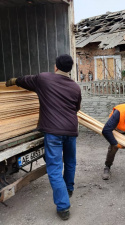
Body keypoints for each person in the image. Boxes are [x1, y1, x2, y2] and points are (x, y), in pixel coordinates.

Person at [6, 54, 81, 221]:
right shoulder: (76, 87)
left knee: (54, 168)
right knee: (70, 161)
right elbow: (76, 108)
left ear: (55, 67)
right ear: (70, 69)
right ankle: (68, 189)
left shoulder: (44, 79)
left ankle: (63, 207)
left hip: (53, 132)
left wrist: (12, 81)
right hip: (71, 130)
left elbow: (24, 80)